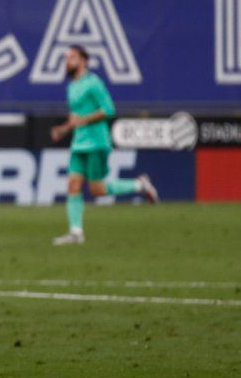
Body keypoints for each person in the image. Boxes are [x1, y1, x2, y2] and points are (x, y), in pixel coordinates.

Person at [50, 45, 159, 245]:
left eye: (72, 57)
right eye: (66, 58)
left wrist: (83, 120)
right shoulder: (72, 86)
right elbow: (75, 118)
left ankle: (140, 185)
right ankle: (76, 233)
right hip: (79, 143)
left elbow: (108, 109)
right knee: (73, 185)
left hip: (96, 142)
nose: (67, 62)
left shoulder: (93, 83)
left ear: (83, 61)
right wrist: (63, 129)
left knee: (97, 190)